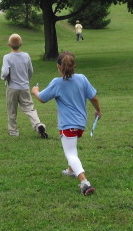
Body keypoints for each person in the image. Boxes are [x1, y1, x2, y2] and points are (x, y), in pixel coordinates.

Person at [31, 51, 101, 196]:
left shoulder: (57, 83)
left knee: (70, 153)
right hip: (81, 124)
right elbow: (93, 98)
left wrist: (35, 91)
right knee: (72, 148)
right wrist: (98, 111)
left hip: (68, 125)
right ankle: (70, 170)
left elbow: (42, 99)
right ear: (74, 65)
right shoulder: (82, 79)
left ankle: (84, 182)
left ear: (58, 67)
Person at [1, 34, 48, 138]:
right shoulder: (26, 56)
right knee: (29, 108)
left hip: (12, 87)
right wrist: (26, 80)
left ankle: (13, 132)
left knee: (12, 110)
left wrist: (4, 78)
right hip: (24, 87)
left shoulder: (7, 57)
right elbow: (30, 71)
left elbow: (4, 72)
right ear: (21, 44)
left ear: (9, 44)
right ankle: (38, 124)